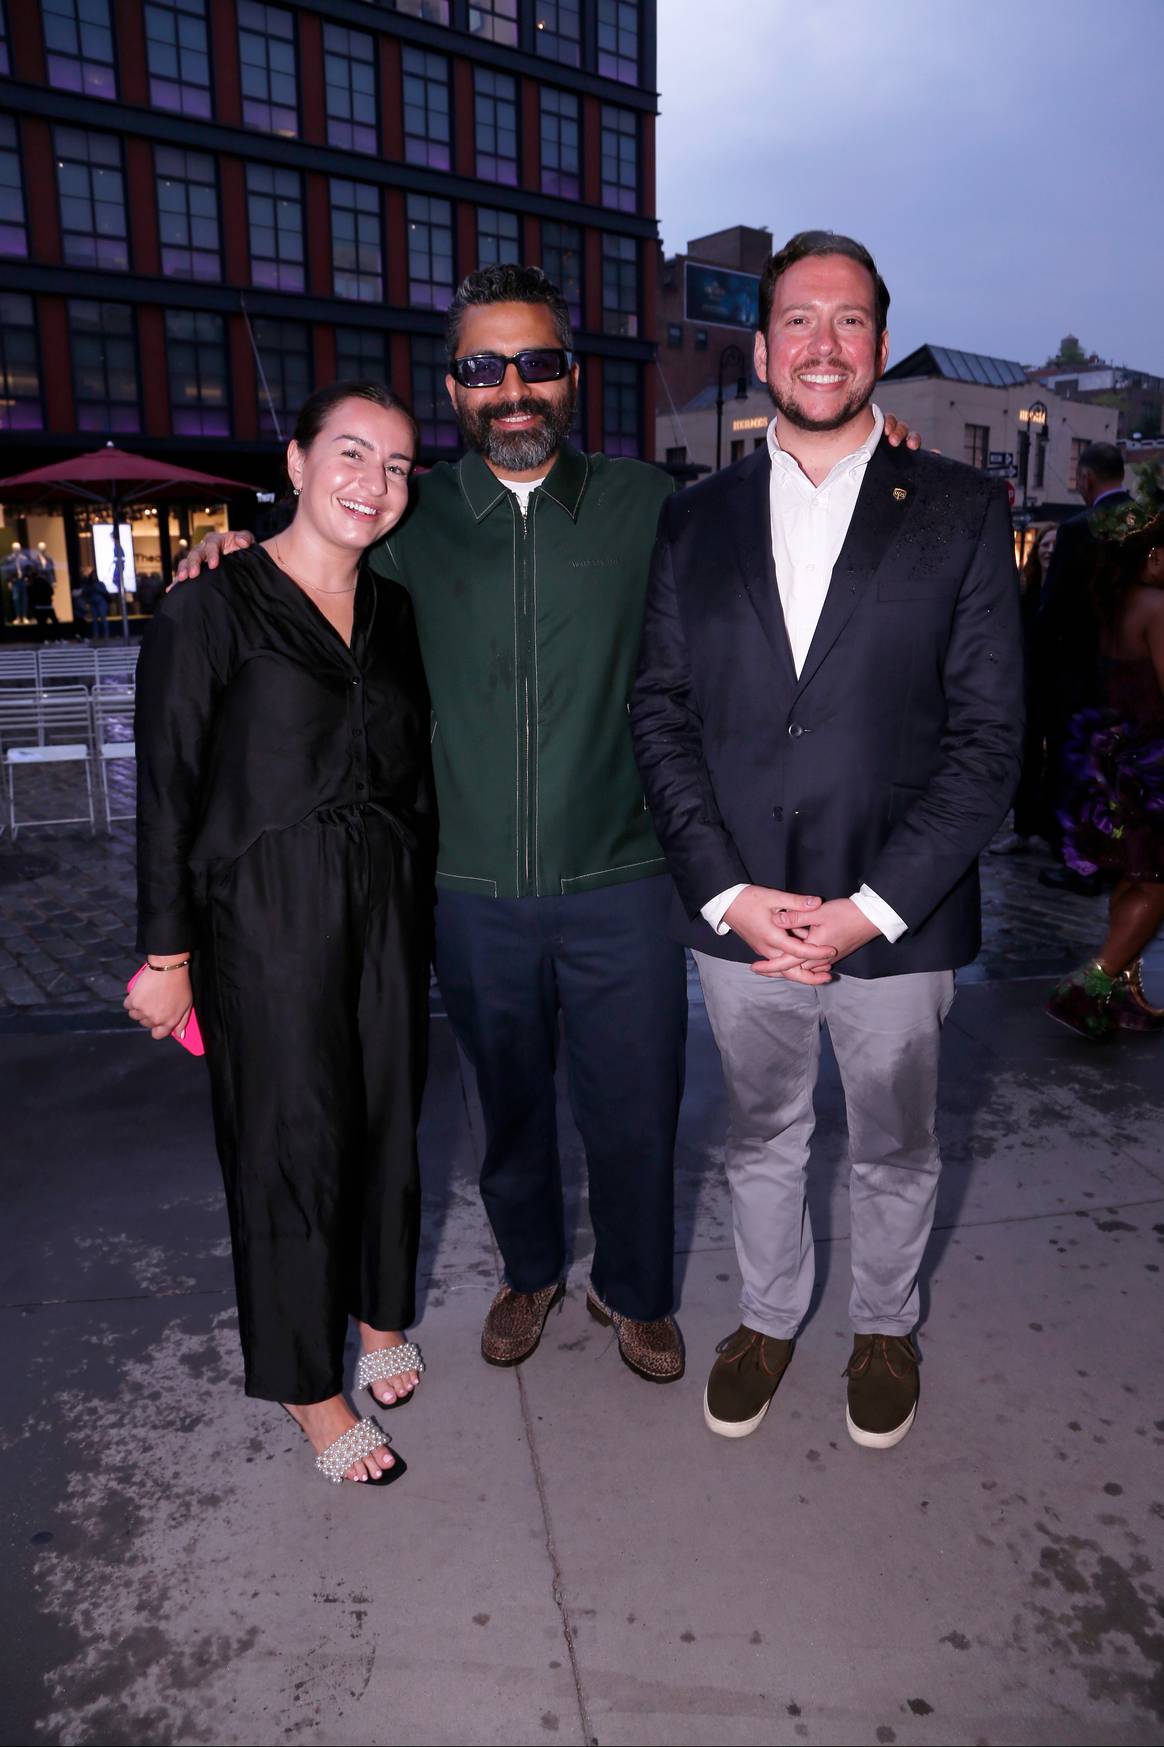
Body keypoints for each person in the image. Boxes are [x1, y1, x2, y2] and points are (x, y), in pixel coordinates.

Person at [179, 264, 924, 1388]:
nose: (513, 387)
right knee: (507, 1113)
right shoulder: (409, 517)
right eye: (485, 368)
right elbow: (307, 559)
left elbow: (787, 513)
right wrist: (226, 549)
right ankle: (527, 1271)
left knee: (635, 1114)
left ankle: (637, 1291)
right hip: (469, 890)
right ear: (455, 388)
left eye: (535, 362)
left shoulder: (649, 508)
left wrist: (879, 456)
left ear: (570, 376)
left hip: (627, 880)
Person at [631, 230, 1023, 1451]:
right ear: (760, 349)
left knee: (898, 1147)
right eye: (799, 319)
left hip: (896, 929)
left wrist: (868, 909)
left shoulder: (960, 510)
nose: (823, 343)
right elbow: (660, 713)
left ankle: (885, 1326)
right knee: (759, 1134)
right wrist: (728, 893)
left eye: (849, 320)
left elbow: (988, 740)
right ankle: (765, 1318)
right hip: (739, 918)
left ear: (882, 346)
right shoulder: (693, 519)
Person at [128, 381, 433, 1488]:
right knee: (291, 1145)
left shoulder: (394, 608)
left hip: (388, 903)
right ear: (295, 462)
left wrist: (418, 909)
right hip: (265, 919)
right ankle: (311, 1387)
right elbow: (165, 787)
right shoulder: (209, 607)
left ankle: (378, 1310)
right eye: (351, 454)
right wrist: (169, 958)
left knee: (389, 1120)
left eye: (398, 466)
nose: (375, 483)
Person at [1045, 500, 1164, 1039]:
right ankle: (1089, 986)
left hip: (1115, 754)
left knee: (1138, 876)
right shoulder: (1157, 606)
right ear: (1155, 556)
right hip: (1152, 762)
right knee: (1157, 883)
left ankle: (1117, 995)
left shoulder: (1112, 603)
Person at [1036, 442, 1131, 894]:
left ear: (1087, 479)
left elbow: (1052, 613)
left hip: (1081, 680)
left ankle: (1086, 863)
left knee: (1080, 772)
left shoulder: (1078, 531)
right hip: (1136, 677)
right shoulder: (1148, 526)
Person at [990, 524, 1057, 854]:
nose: (1048, 550)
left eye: (1054, 544)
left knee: (1055, 759)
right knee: (1025, 757)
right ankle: (1022, 827)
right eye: (1044, 544)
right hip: (1024, 684)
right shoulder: (1025, 589)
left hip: (1055, 685)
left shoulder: (1065, 592)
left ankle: (1047, 830)